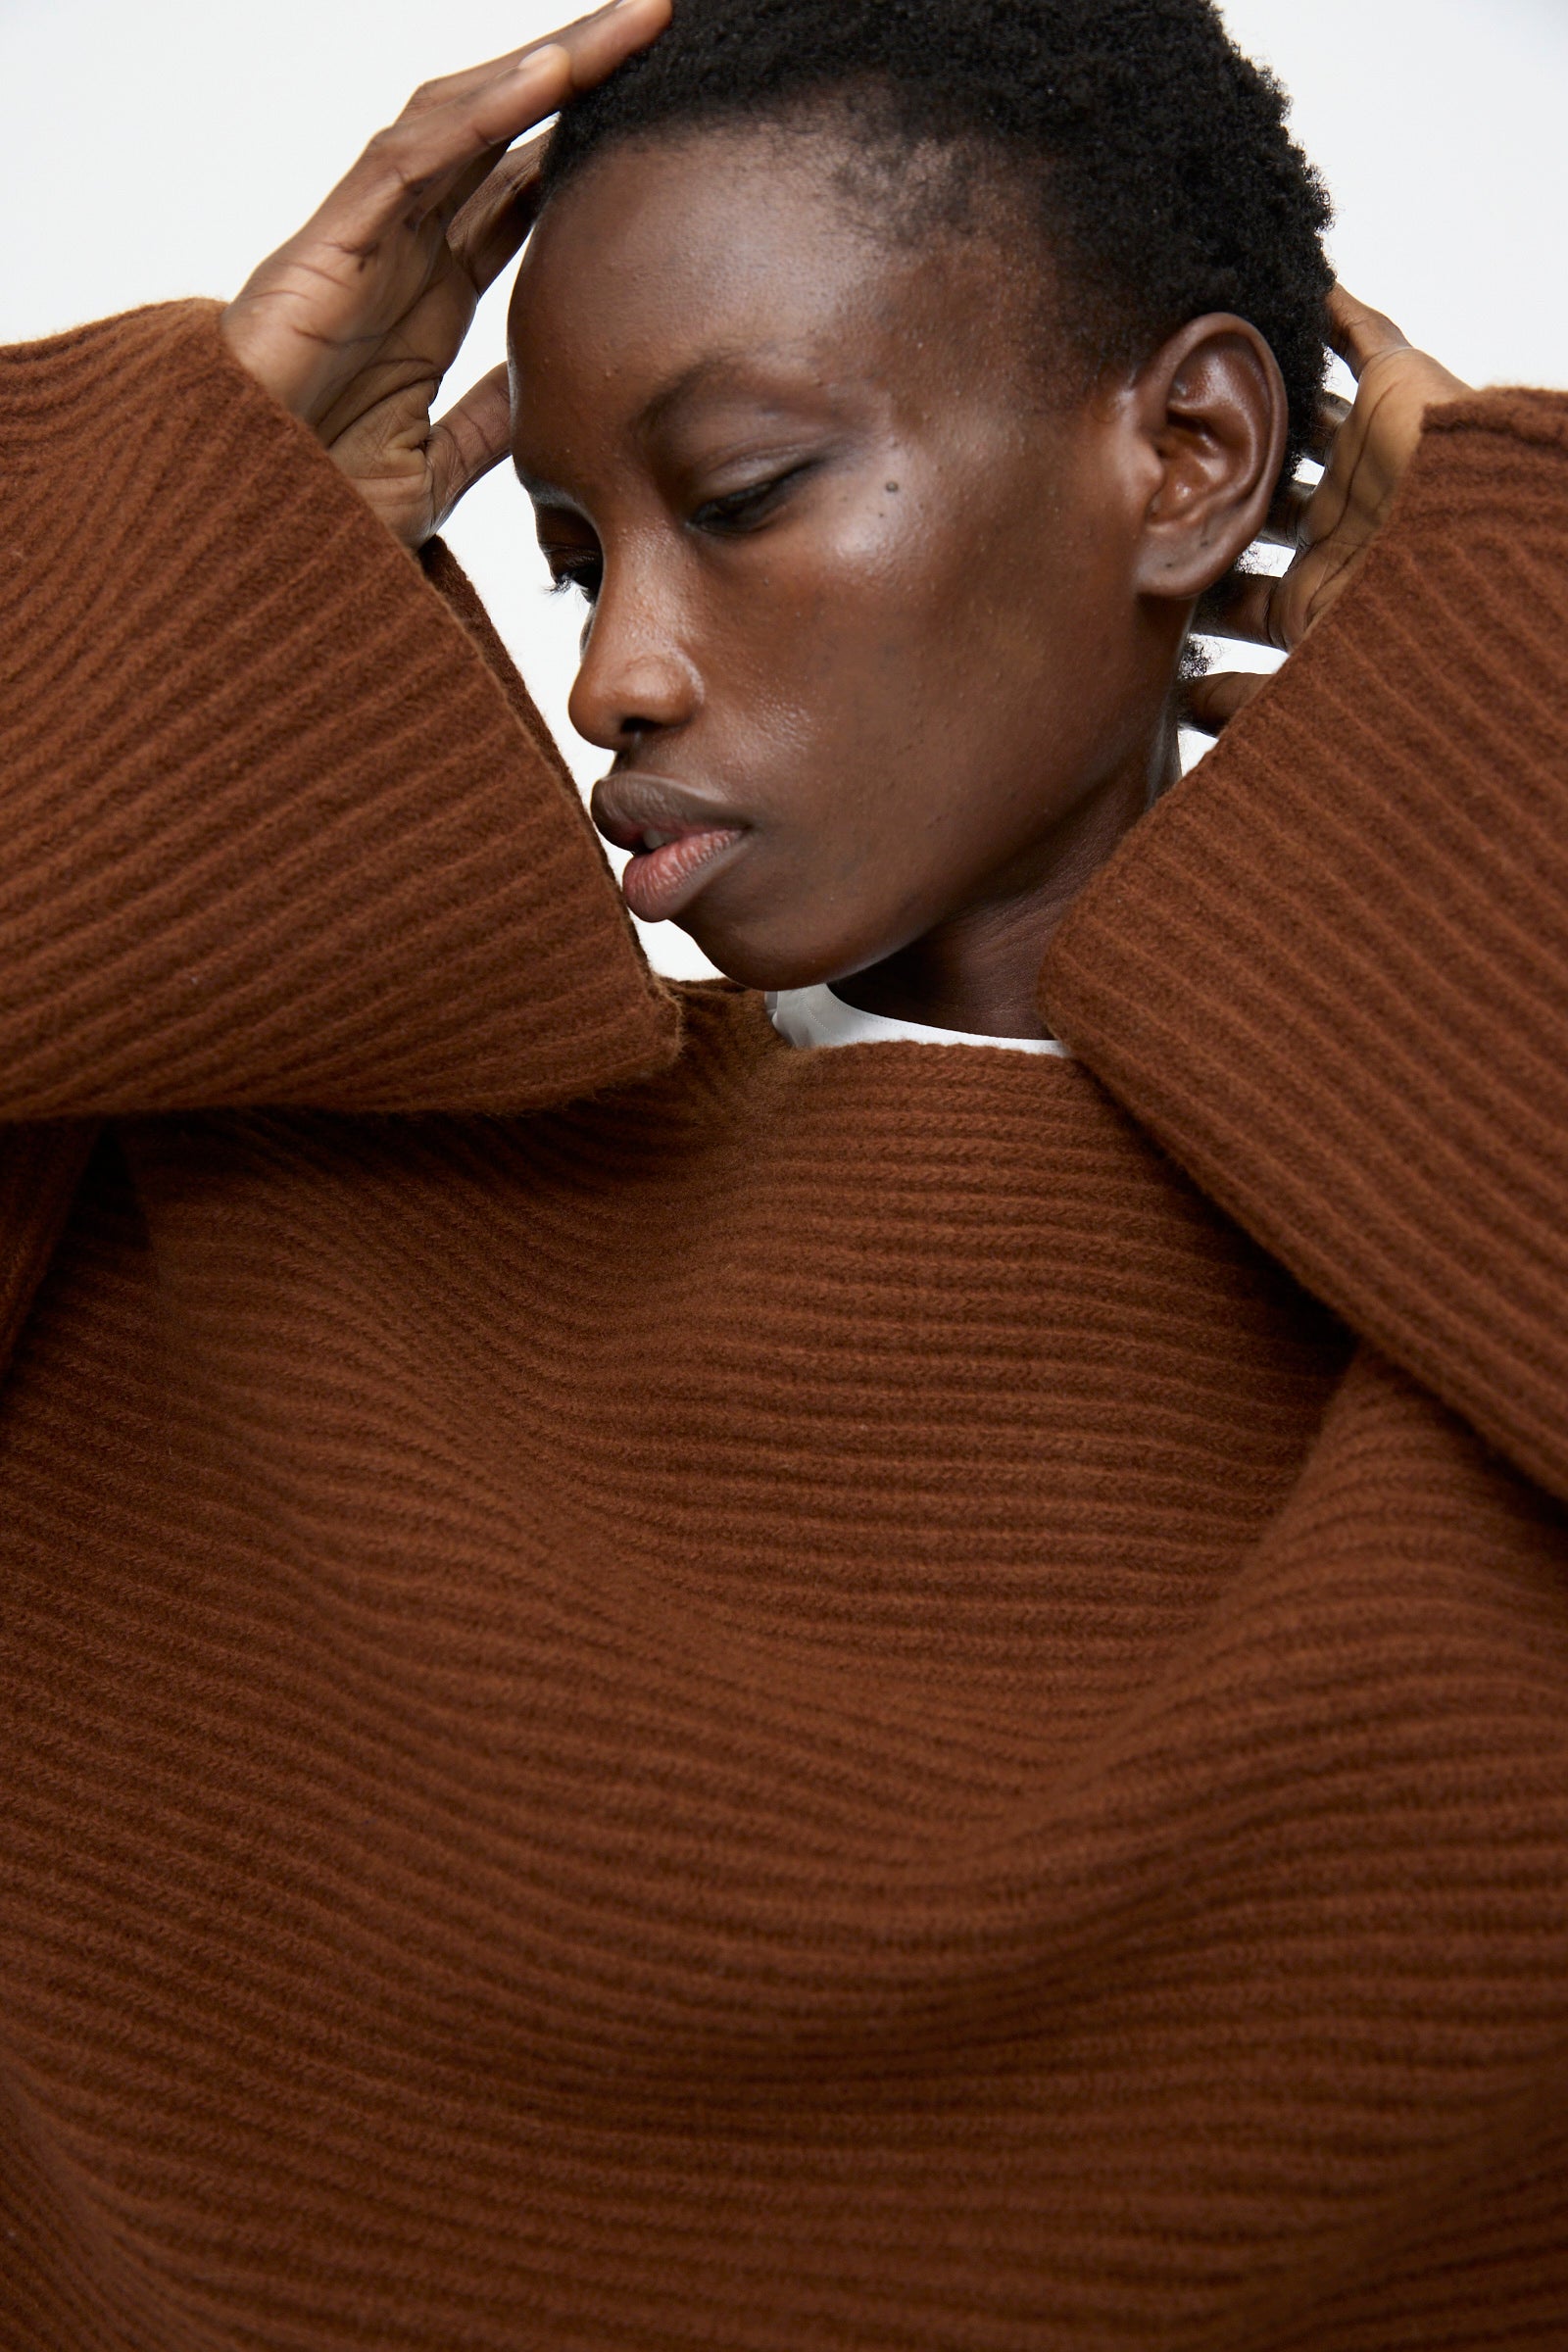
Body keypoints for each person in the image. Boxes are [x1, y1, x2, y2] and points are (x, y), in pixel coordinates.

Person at [2, 0, 1566, 2343]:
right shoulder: (244, 1215)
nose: (611, 671)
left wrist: (1512, 716)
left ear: (1193, 451)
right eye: (559, 552)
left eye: (737, 494)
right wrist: (162, 535)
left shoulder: (1450, 1283)